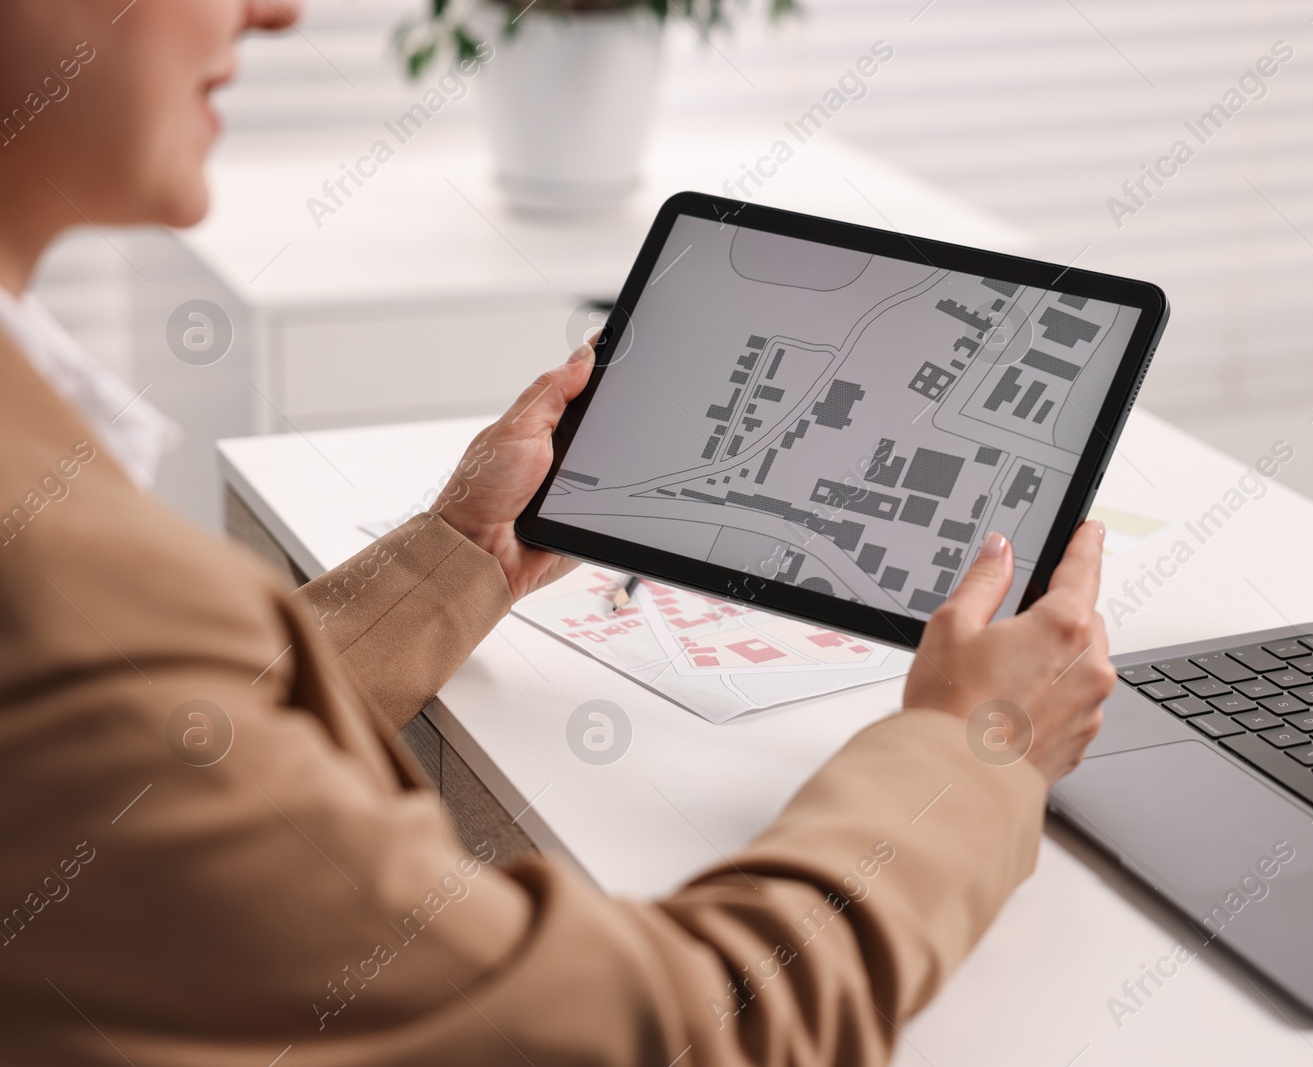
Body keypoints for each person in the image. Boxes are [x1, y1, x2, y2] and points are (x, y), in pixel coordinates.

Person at [0, 1, 1115, 1063]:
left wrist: (459, 555)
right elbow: (681, 1031)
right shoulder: (49, 575)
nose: (278, 12)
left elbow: (159, 752)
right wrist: (975, 751)